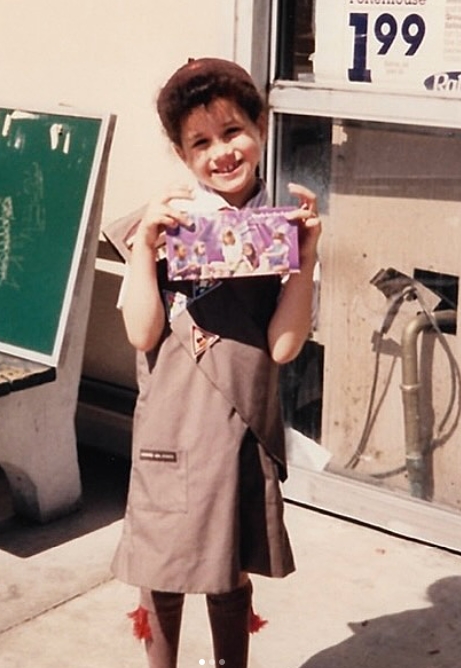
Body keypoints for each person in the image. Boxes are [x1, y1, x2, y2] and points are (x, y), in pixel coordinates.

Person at [109, 57, 321, 668]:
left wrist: (306, 257)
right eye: (200, 142)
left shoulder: (281, 230)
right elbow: (142, 331)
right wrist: (145, 249)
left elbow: (283, 348)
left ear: (261, 126)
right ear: (182, 154)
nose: (221, 153)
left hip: (239, 427)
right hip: (170, 427)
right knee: (161, 574)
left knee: (230, 572)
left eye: (232, 132)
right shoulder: (166, 225)